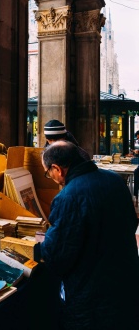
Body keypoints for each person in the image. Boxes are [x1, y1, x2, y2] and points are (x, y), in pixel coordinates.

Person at [37, 141, 139, 330]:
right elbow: (132, 223)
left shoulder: (68, 197)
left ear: (57, 169)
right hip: (126, 284)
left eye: (47, 172)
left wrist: (40, 247)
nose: (50, 177)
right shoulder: (114, 180)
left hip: (91, 300)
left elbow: (57, 256)